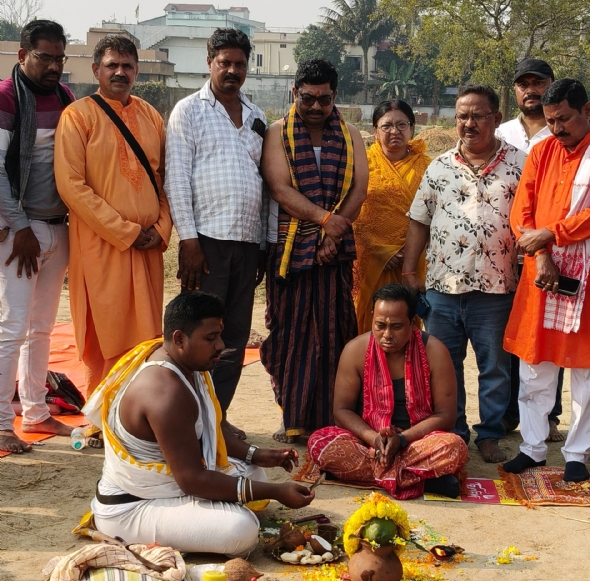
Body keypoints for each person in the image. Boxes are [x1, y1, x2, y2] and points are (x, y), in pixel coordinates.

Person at [85, 292, 314, 555]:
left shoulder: (185, 363)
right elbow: (192, 479)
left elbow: (211, 431)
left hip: (170, 484)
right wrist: (276, 491)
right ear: (179, 338)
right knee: (240, 529)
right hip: (131, 508)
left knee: (253, 472)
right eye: (210, 338)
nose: (220, 346)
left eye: (219, 335)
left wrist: (257, 454)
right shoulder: (166, 393)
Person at [402, 85, 526, 463]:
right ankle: (453, 431)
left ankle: (489, 434)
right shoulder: (439, 166)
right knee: (444, 365)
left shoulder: (521, 164)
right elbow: (418, 221)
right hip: (443, 287)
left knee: (495, 369)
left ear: (496, 118)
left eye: (477, 116)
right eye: (462, 117)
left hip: (497, 288)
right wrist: (409, 268)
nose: (468, 124)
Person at [54, 35, 171, 395]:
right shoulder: (77, 116)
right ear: (96, 70)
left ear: (137, 71)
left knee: (147, 332)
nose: (120, 72)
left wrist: (161, 229)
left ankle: (138, 412)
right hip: (102, 245)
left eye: (127, 66)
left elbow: (166, 180)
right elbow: (71, 186)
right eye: (112, 65)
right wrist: (125, 231)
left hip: (147, 248)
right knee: (105, 330)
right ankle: (101, 412)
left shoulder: (151, 116)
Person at [165, 29, 267, 440]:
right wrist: (188, 241)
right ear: (209, 62)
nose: (232, 70)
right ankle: (181, 421)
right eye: (224, 62)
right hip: (205, 242)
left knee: (234, 337)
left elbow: (264, 182)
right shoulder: (188, 111)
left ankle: (216, 419)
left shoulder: (257, 116)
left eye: (239, 64)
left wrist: (261, 245)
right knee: (196, 335)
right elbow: (176, 179)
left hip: (246, 244)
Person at [260, 59, 368, 442]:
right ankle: (293, 418)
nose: (317, 107)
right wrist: (325, 222)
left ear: (334, 96)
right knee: (289, 336)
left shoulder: (351, 134)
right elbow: (280, 188)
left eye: (324, 99)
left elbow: (359, 188)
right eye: (308, 98)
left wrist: (334, 235)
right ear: (295, 94)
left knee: (335, 332)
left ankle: (331, 419)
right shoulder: (277, 133)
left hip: (335, 250)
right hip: (290, 251)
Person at [503, 79, 590, 483]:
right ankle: (533, 447)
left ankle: (577, 453)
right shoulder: (541, 151)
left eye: (564, 120)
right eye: (550, 121)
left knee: (586, 369)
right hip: (541, 275)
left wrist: (554, 233)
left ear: (588, 110)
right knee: (532, 364)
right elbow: (520, 213)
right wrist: (541, 253)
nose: (557, 129)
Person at [307, 284, 468, 499]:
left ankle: (368, 474)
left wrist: (401, 440)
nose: (387, 335)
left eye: (397, 327)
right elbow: (342, 410)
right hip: (370, 443)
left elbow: (446, 416)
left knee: (454, 447)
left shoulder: (435, 350)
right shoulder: (355, 349)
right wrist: (374, 439)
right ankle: (423, 480)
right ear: (372, 319)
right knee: (320, 442)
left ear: (413, 323)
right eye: (380, 325)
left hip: (416, 443)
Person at [0, 20, 74, 454]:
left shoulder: (66, 98)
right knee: (12, 326)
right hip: (19, 231)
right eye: (45, 57)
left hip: (57, 227)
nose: (53, 65)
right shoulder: (8, 97)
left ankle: (37, 411)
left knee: (42, 327)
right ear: (22, 55)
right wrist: (22, 227)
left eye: (59, 58)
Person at [497, 58, 564, 442]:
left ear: (551, 86)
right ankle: (509, 414)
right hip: (505, 252)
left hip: (553, 250)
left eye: (538, 82)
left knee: (551, 335)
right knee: (511, 335)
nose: (531, 89)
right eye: (524, 83)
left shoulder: (563, 131)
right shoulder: (502, 131)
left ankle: (549, 415)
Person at [353, 99, 430, 333]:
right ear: (375, 130)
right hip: (370, 258)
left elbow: (434, 215)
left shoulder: (429, 167)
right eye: (386, 126)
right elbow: (353, 213)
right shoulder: (361, 164)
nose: (394, 131)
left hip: (413, 261)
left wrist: (411, 251)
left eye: (401, 125)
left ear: (412, 128)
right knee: (367, 321)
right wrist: (381, 249)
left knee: (406, 323)